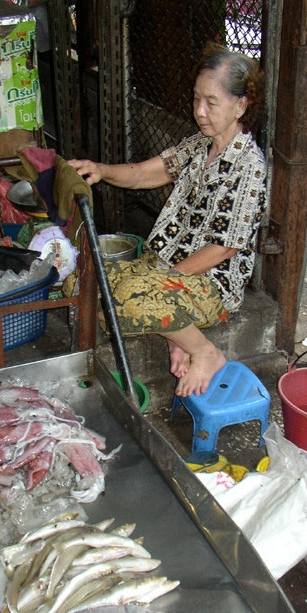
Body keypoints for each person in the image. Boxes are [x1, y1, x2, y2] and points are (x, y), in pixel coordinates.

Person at [66, 42, 266, 398]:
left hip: (209, 284)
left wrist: (162, 283)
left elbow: (222, 250)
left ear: (241, 105)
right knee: (79, 283)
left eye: (211, 102)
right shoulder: (199, 145)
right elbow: (143, 174)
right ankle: (179, 334)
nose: (200, 112)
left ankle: (205, 350)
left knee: (125, 301)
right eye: (195, 99)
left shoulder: (248, 166)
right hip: (166, 268)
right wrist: (98, 169)